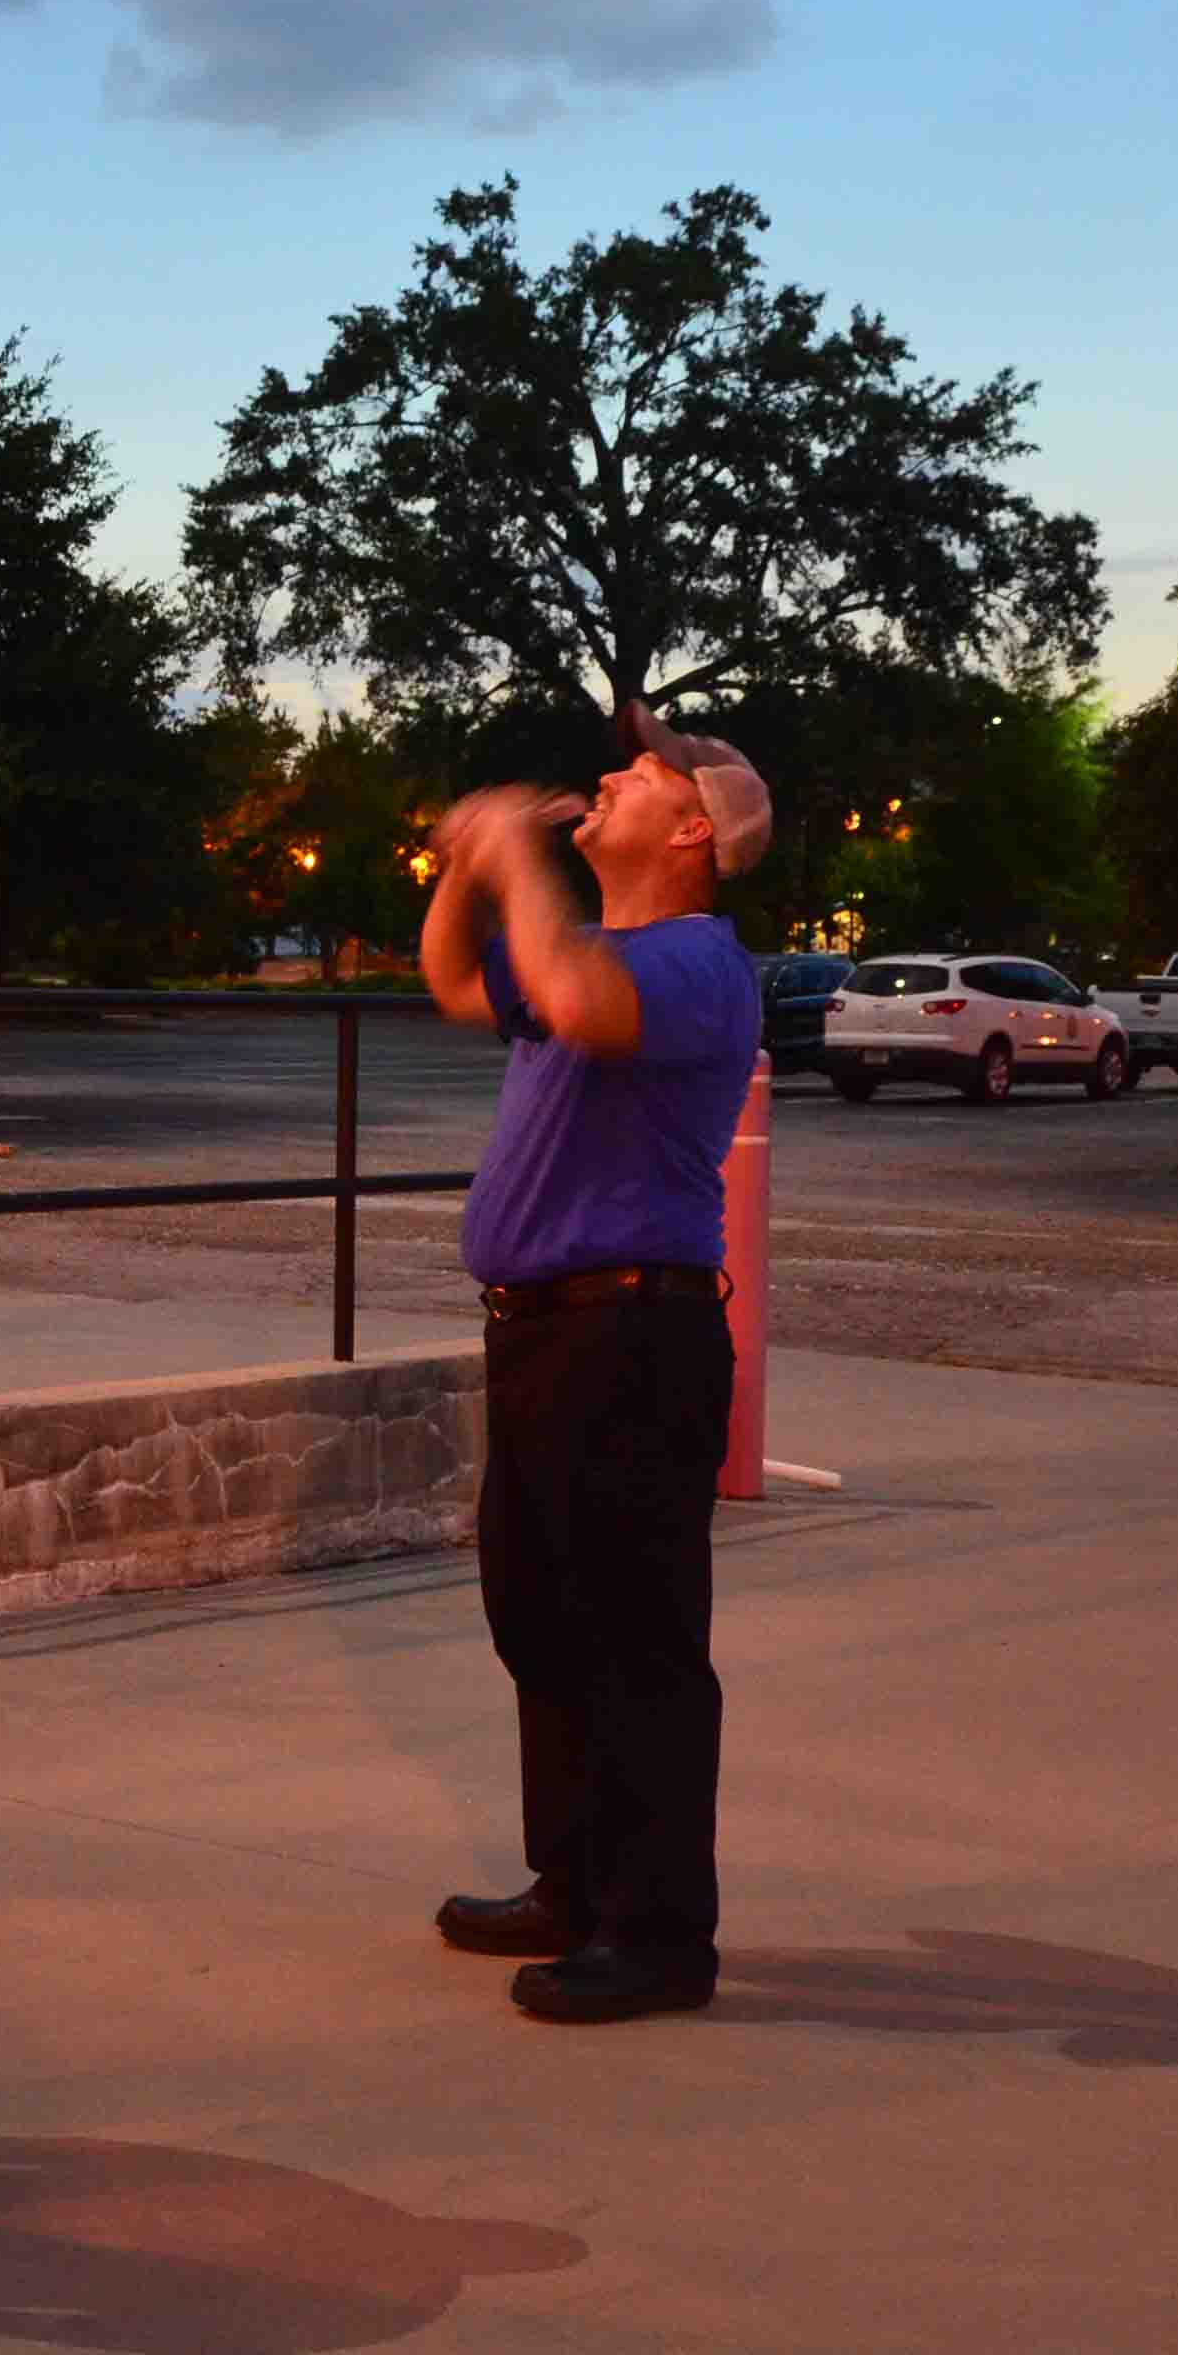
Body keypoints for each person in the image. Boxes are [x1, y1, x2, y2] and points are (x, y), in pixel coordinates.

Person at [414, 694, 770, 2023]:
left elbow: (571, 993)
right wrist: (471, 865)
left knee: (638, 1641)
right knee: (542, 1620)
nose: (609, 781)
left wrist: (517, 860)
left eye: (640, 775)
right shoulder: (598, 946)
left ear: (692, 828)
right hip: (549, 1332)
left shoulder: (690, 963)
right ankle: (575, 1883)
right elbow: (460, 982)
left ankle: (662, 1934)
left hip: (633, 1335)